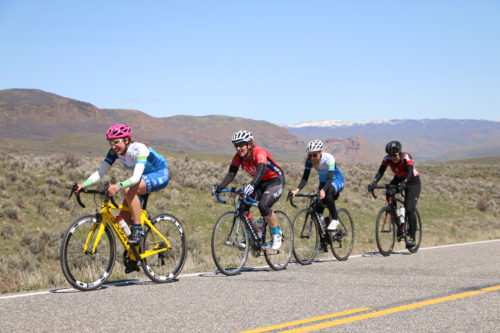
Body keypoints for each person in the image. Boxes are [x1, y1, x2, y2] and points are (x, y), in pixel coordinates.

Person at [74, 124, 170, 273]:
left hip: (159, 173)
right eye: (110, 143)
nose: (113, 146)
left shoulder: (139, 149)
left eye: (116, 142)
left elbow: (136, 177)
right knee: (122, 221)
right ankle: (133, 256)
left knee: (127, 189)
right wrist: (83, 184)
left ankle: (138, 229)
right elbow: (100, 172)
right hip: (142, 179)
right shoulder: (114, 152)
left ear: (126, 139)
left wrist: (118, 185)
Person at [212, 130, 285, 250]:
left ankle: (277, 233)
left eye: (241, 145)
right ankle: (253, 234)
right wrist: (219, 187)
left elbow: (261, 169)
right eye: (236, 145)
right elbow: (231, 173)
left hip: (275, 181)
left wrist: (252, 184)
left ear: (249, 144)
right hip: (260, 182)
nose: (238, 148)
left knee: (263, 205)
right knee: (243, 206)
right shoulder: (238, 157)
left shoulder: (259, 152)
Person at [367, 140, 421, 247]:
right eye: (390, 155)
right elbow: (380, 171)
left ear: (399, 153)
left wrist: (404, 183)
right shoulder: (387, 159)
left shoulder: (406, 157)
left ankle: (412, 237)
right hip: (399, 178)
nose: (392, 157)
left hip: (412, 181)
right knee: (389, 192)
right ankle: (398, 222)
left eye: (394, 155)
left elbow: (409, 172)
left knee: (410, 208)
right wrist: (374, 183)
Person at [290, 140, 345, 233]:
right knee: (317, 213)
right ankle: (323, 240)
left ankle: (335, 219)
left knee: (327, 194)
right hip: (323, 182)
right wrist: (296, 190)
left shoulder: (329, 158)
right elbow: (305, 178)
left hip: (336, 180)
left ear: (321, 153)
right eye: (310, 155)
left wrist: (323, 190)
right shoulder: (309, 160)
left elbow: (330, 177)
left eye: (314, 155)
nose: (312, 158)